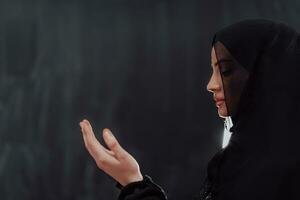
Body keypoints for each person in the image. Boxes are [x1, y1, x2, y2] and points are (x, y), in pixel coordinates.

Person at [79, 19, 300, 200]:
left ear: (263, 75)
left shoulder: (280, 172)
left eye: (225, 71)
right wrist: (132, 180)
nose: (211, 84)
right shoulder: (238, 160)